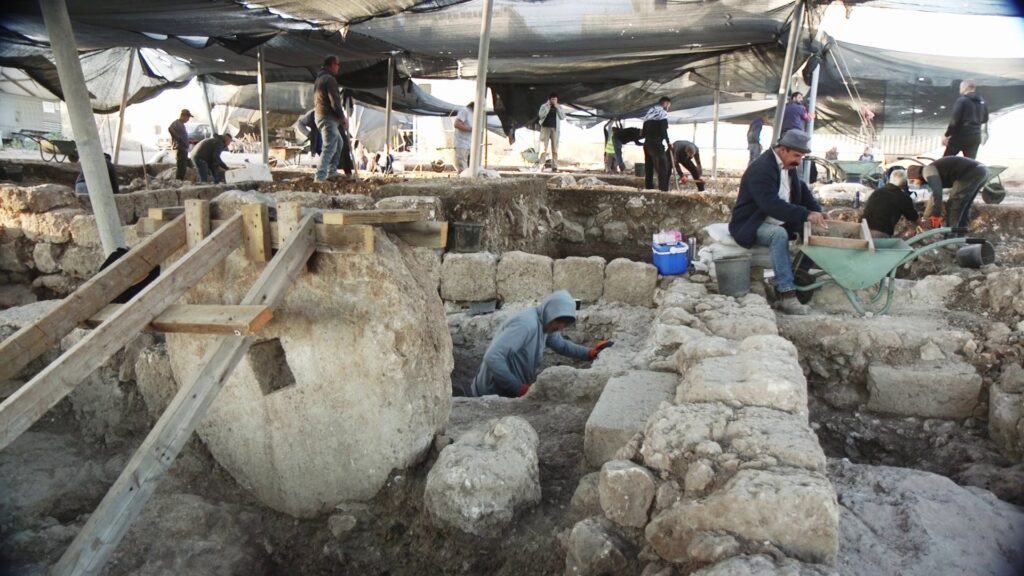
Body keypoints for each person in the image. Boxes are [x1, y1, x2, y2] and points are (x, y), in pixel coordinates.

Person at [728, 130, 828, 315]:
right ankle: (786, 294)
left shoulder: (786, 165)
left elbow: (802, 189)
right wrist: (805, 214)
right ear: (783, 149)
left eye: (802, 156)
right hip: (751, 223)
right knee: (778, 234)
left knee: (814, 232)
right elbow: (770, 205)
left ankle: (798, 275)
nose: (799, 160)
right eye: (797, 155)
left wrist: (816, 212)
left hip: (777, 219)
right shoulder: (762, 168)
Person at [468, 290, 613, 398]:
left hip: (508, 392)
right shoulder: (526, 325)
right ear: (551, 313)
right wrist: (518, 388)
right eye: (558, 323)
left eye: (563, 325)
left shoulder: (546, 324)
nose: (560, 329)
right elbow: (493, 357)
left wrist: (588, 353)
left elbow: (561, 345)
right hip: (490, 394)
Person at [907, 156, 988, 234]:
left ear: (917, 176)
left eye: (913, 181)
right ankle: (960, 236)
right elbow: (933, 198)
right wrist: (925, 218)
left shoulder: (927, 171)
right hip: (981, 170)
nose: (914, 184)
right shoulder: (932, 171)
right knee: (964, 206)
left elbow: (937, 193)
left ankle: (951, 238)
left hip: (971, 173)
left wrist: (936, 215)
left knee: (954, 205)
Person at [862, 169, 924, 238]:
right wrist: (923, 225)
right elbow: (913, 217)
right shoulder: (903, 197)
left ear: (890, 180)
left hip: (862, 230)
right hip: (880, 233)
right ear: (904, 183)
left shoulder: (877, 192)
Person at [314, 55, 346, 182]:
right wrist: (342, 117)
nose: (339, 67)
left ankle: (331, 172)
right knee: (330, 147)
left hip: (324, 116)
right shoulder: (329, 79)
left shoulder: (320, 78)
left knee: (338, 143)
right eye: (338, 65)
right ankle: (320, 177)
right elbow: (335, 102)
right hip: (327, 117)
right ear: (332, 64)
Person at [943, 79, 989, 159]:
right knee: (970, 163)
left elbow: (955, 120)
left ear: (965, 88)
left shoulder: (962, 100)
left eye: (960, 87)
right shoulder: (982, 102)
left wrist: (947, 135)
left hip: (961, 135)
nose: (960, 89)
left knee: (946, 161)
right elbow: (985, 119)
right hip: (976, 136)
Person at [642, 97, 672, 192]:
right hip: (656, 144)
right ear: (666, 103)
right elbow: (663, 130)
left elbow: (643, 132)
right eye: (668, 105)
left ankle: (648, 188)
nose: (668, 107)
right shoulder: (662, 114)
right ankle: (663, 190)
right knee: (663, 166)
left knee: (649, 167)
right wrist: (668, 142)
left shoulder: (649, 113)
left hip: (647, 144)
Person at [538, 93, 565, 172]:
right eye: (552, 99)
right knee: (543, 148)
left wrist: (557, 107)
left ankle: (555, 166)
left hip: (555, 129)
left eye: (555, 99)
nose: (554, 101)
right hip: (545, 128)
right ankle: (541, 166)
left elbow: (562, 117)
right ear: (549, 100)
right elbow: (541, 115)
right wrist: (548, 107)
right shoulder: (544, 106)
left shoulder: (559, 107)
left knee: (555, 148)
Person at [168, 108, 192, 180]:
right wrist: (179, 139)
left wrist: (187, 140)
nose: (188, 119)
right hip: (180, 148)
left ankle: (180, 180)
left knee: (184, 166)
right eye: (188, 117)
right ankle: (178, 180)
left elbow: (182, 135)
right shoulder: (177, 123)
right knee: (181, 167)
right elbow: (170, 129)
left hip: (184, 148)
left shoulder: (181, 124)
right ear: (183, 116)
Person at [453, 102, 474, 173]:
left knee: (469, 167)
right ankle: (463, 181)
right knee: (462, 167)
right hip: (462, 143)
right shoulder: (465, 110)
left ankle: (467, 181)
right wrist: (470, 129)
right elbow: (456, 124)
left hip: (470, 144)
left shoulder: (474, 113)